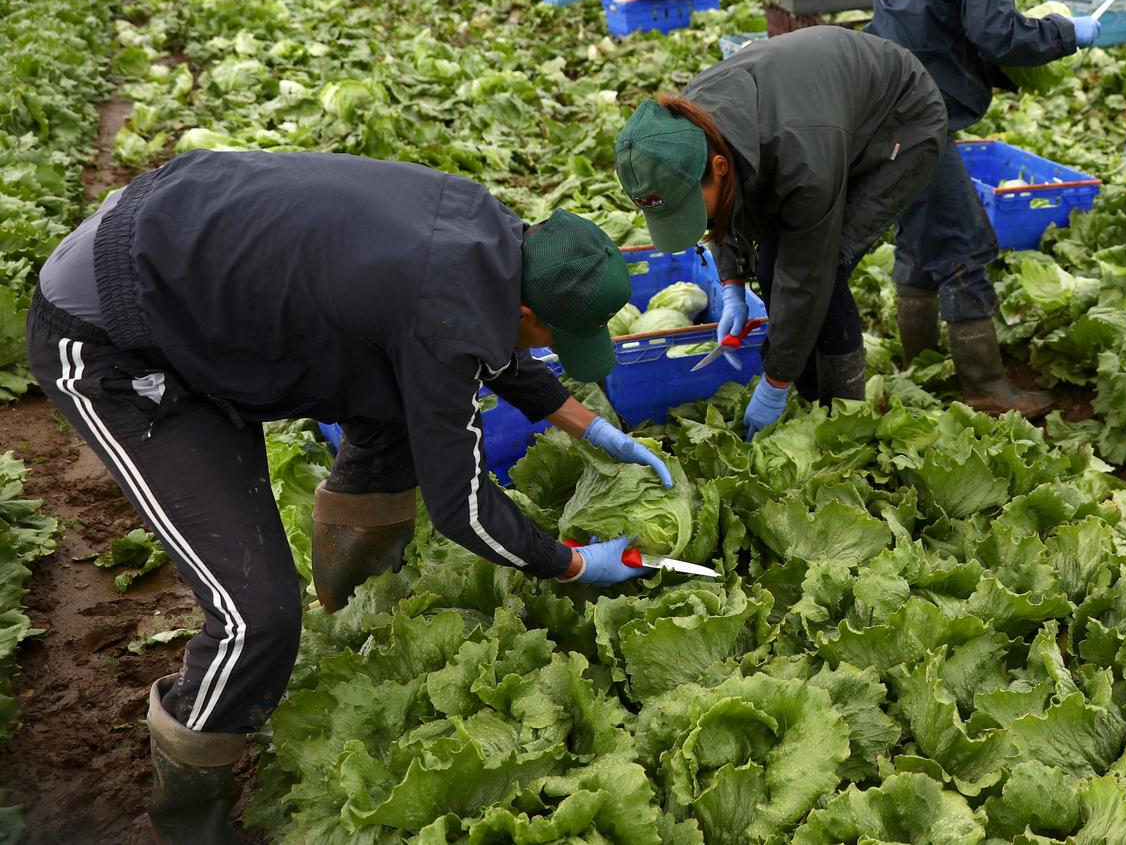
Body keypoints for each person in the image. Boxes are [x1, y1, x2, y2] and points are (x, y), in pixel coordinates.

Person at [25, 150, 666, 841]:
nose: (553, 347)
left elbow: (491, 336)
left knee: (396, 417)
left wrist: (583, 421)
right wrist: (571, 562)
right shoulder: (447, 310)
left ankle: (352, 613)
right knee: (256, 616)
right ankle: (188, 813)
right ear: (528, 306)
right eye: (556, 336)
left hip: (205, 274)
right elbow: (464, 508)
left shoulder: (495, 237)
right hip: (116, 332)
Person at [614, 29, 949, 437]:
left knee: (829, 267)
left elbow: (808, 274)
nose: (692, 221)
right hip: (818, 114)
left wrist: (774, 383)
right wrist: (733, 281)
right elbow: (724, 209)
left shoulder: (801, 164)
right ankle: (808, 393)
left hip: (899, 122)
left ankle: (844, 412)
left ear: (719, 167)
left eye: (688, 209)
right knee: (775, 267)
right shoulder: (683, 131)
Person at [870, 0, 1100, 415]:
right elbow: (997, 33)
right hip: (918, 113)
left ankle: (917, 363)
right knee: (966, 242)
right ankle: (986, 386)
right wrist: (1067, 34)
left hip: (887, 105)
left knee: (924, 237)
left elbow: (942, 25)